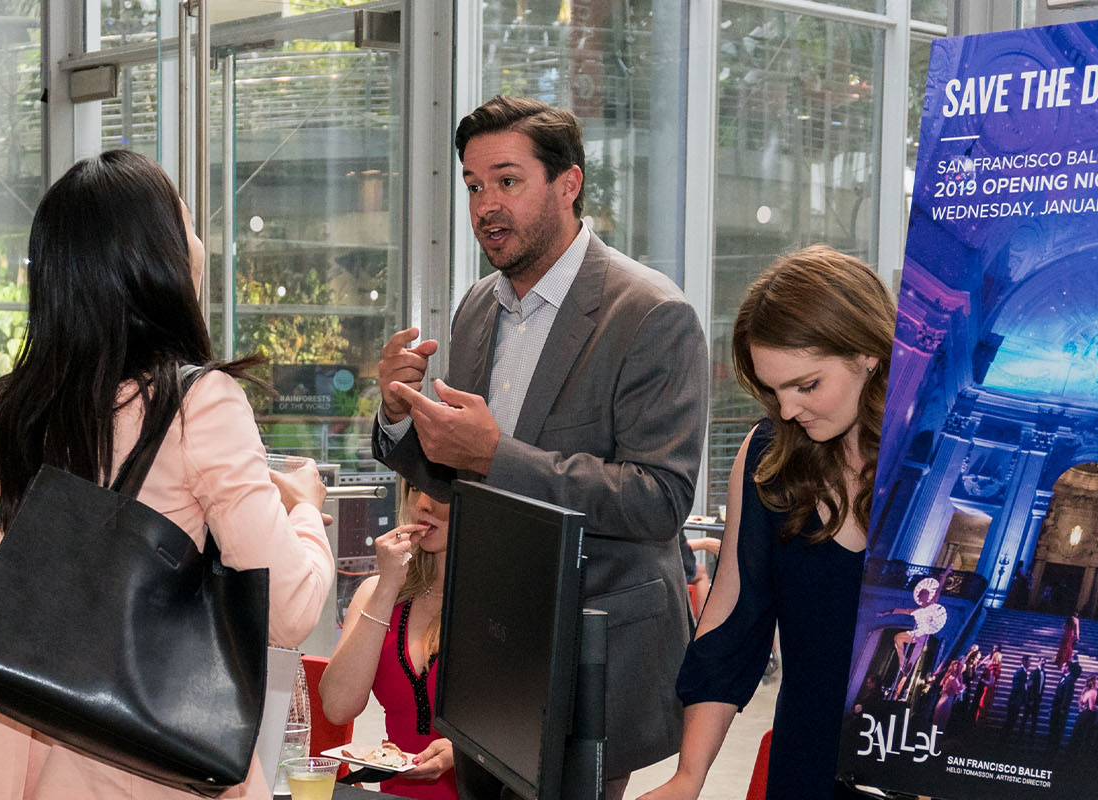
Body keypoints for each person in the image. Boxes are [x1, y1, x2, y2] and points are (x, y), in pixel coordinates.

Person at [0, 150, 332, 800]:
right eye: (190, 227)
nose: (200, 244)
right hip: (136, 764)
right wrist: (307, 513)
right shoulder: (197, 403)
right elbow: (287, 611)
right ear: (161, 258)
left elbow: (4, 608)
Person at [377, 96, 707, 799]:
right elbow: (450, 467)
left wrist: (498, 455)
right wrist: (399, 415)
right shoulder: (475, 309)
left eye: (507, 180)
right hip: (488, 648)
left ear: (568, 184)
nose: (485, 205)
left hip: (591, 650)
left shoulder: (650, 313)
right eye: (473, 186)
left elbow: (660, 499)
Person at [638, 245, 886, 800]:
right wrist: (688, 776)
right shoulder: (768, 455)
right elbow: (732, 626)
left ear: (868, 352)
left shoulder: (934, 457)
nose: (790, 409)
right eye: (775, 391)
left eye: (807, 385)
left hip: (924, 773)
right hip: (808, 767)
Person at [317, 484, 459, 799]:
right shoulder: (378, 593)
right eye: (414, 489)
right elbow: (338, 708)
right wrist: (387, 587)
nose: (422, 504)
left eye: (438, 490)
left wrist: (464, 755)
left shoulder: (499, 605)